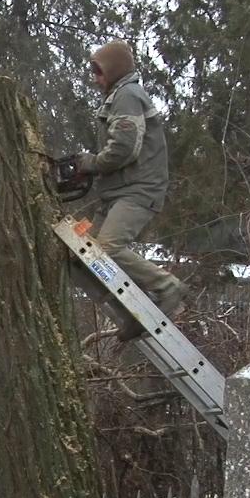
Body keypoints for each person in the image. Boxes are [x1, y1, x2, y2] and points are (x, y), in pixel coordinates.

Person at [73, 39, 188, 341]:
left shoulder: (127, 95)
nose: (95, 79)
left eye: (99, 72)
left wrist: (90, 163)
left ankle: (167, 287)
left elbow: (124, 149)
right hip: (117, 193)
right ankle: (129, 315)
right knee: (86, 258)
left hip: (138, 190)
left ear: (113, 70)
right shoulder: (118, 97)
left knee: (106, 250)